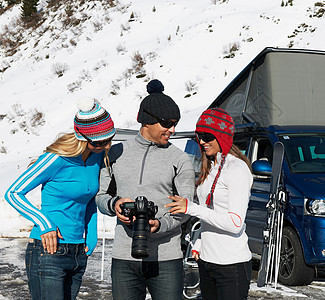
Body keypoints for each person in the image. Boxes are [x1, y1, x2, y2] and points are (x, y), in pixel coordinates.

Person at [4, 98, 116, 300]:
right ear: (82, 137)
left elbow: (89, 199)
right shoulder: (55, 159)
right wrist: (45, 224)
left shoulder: (96, 157)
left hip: (78, 252)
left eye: (110, 138)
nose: (107, 146)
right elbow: (13, 193)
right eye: (100, 142)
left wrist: (91, 234)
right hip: (48, 251)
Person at [95, 79, 195, 300]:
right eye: (167, 123)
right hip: (123, 257)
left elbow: (186, 208)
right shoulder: (116, 154)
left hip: (167, 259)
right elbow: (100, 197)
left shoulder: (180, 159)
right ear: (147, 121)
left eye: (175, 123)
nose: (173, 130)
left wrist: (160, 224)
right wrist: (115, 205)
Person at [166, 108, 253, 300]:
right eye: (199, 136)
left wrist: (191, 208)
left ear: (222, 136)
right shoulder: (210, 166)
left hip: (231, 265)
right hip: (207, 261)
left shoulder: (237, 169)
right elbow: (210, 210)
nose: (202, 141)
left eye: (207, 136)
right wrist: (198, 241)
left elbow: (235, 223)